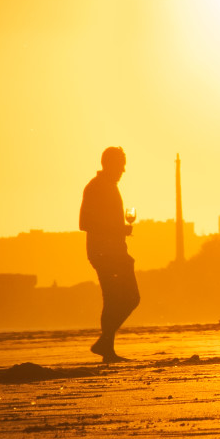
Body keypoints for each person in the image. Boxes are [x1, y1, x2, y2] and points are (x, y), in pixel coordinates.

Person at [79, 145, 139, 363]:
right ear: (110, 164)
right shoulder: (96, 187)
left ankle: (106, 346)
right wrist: (119, 229)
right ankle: (106, 345)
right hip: (105, 254)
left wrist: (120, 230)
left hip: (115, 252)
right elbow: (85, 223)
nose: (124, 170)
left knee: (121, 299)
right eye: (121, 165)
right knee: (125, 298)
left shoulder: (109, 186)